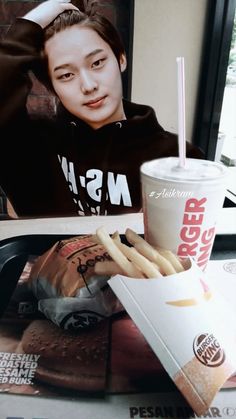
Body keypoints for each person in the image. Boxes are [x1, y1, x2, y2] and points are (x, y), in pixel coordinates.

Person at [0, 0, 204, 218]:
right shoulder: (36, 146)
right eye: (66, 75)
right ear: (52, 87)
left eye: (97, 63)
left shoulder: (178, 157)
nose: (88, 86)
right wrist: (34, 21)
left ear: (121, 59)